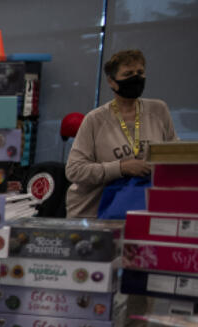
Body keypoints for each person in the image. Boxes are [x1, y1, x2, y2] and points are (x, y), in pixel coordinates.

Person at [64, 49, 176, 218]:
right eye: (128, 74)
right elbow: (74, 170)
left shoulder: (158, 110)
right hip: (94, 212)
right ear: (112, 81)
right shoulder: (95, 119)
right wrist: (121, 168)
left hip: (143, 207)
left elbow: (174, 155)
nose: (136, 78)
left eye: (140, 72)